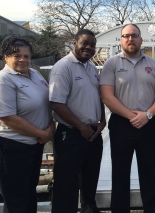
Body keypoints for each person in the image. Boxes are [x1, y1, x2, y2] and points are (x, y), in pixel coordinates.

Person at [100, 23, 155, 213]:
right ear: (121, 39)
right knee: (120, 172)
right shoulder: (111, 64)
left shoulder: (153, 64)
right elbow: (107, 96)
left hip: (147, 124)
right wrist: (131, 116)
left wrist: (147, 115)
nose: (130, 39)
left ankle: (150, 209)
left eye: (134, 35)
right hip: (122, 125)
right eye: (126, 36)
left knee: (148, 171)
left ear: (141, 39)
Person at [49, 29, 106, 213]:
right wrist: (81, 127)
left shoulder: (90, 67)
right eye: (85, 43)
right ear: (74, 42)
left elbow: (99, 97)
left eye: (92, 45)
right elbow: (56, 103)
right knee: (67, 185)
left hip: (92, 133)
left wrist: (102, 121)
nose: (89, 48)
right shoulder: (63, 67)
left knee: (90, 183)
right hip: (71, 134)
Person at [0, 36, 54, 213]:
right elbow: (7, 117)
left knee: (30, 194)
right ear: (5, 57)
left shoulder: (34, 73)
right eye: (17, 56)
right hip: (13, 147)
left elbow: (45, 103)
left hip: (34, 145)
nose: (23, 60)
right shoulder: (4, 79)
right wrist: (42, 133)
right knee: (16, 199)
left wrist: (50, 126)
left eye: (26, 56)